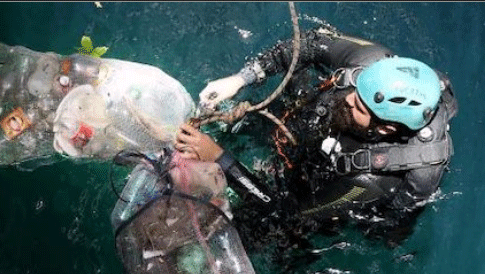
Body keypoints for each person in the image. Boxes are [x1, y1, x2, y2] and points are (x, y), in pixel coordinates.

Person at [174, 26, 458, 258]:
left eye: (359, 106)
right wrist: (239, 79)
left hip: (328, 191)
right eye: (357, 89)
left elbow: (288, 212)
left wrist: (222, 159)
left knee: (268, 230)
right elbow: (308, 44)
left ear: (384, 129)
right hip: (327, 136)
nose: (347, 97)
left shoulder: (371, 179)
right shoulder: (370, 62)